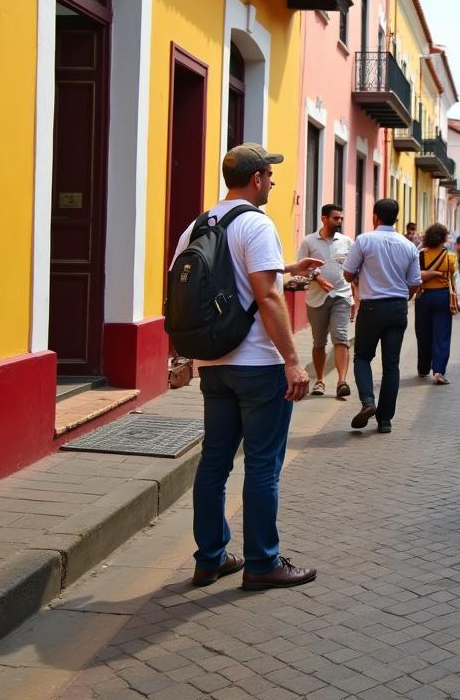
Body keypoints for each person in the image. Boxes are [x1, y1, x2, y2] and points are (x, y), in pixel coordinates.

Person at [177, 144, 322, 590]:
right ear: (256, 178)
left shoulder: (197, 226)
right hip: (258, 364)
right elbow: (267, 295)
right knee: (262, 465)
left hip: (214, 364)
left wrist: (285, 268)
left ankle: (210, 558)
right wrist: (293, 362)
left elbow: (193, 294)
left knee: (214, 463)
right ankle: (262, 563)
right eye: (270, 175)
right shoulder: (257, 225)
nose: (274, 182)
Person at [342, 198, 422, 434]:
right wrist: (403, 298)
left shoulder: (364, 240)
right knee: (391, 365)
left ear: (375, 216)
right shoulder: (409, 246)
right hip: (397, 308)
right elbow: (415, 283)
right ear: (396, 219)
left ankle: (368, 401)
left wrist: (359, 275)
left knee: (362, 357)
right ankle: (385, 420)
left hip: (371, 307)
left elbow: (347, 274)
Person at [296, 203, 357, 399]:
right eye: (335, 218)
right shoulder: (309, 241)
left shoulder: (346, 241)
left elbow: (353, 270)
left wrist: (355, 296)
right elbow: (300, 268)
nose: (339, 222)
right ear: (324, 218)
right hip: (316, 298)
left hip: (341, 295)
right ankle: (320, 380)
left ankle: (342, 382)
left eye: (341, 219)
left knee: (340, 336)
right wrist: (318, 278)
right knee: (319, 341)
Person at [415, 222, 458, 384]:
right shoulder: (450, 257)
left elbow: (416, 276)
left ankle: (423, 368)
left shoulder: (420, 255)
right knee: (442, 334)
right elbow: (452, 277)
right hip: (442, 296)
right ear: (444, 238)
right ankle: (439, 371)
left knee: (423, 333)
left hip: (423, 295)